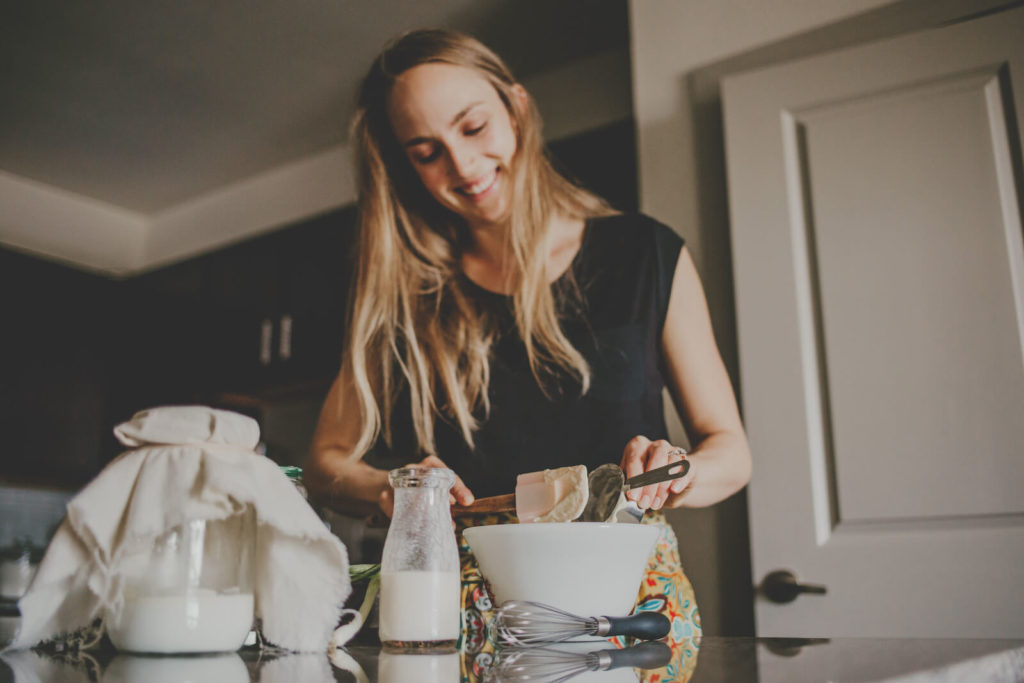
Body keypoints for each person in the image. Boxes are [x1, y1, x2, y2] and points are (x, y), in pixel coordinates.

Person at [304, 27, 751, 673]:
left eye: (474, 126)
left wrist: (679, 469)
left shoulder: (646, 255)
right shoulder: (405, 295)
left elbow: (730, 450)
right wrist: (396, 487)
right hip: (462, 624)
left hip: (627, 614)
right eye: (427, 152)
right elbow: (324, 462)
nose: (462, 166)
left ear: (516, 107)